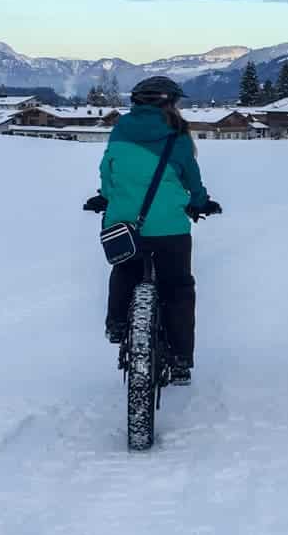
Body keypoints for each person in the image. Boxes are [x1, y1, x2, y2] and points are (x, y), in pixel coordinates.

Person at [84, 76, 221, 386]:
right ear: (171, 103)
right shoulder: (178, 135)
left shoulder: (120, 129)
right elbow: (191, 180)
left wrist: (108, 196)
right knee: (179, 288)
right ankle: (181, 359)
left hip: (123, 225)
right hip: (170, 228)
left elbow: (108, 172)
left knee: (124, 270)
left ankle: (118, 323)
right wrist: (200, 203)